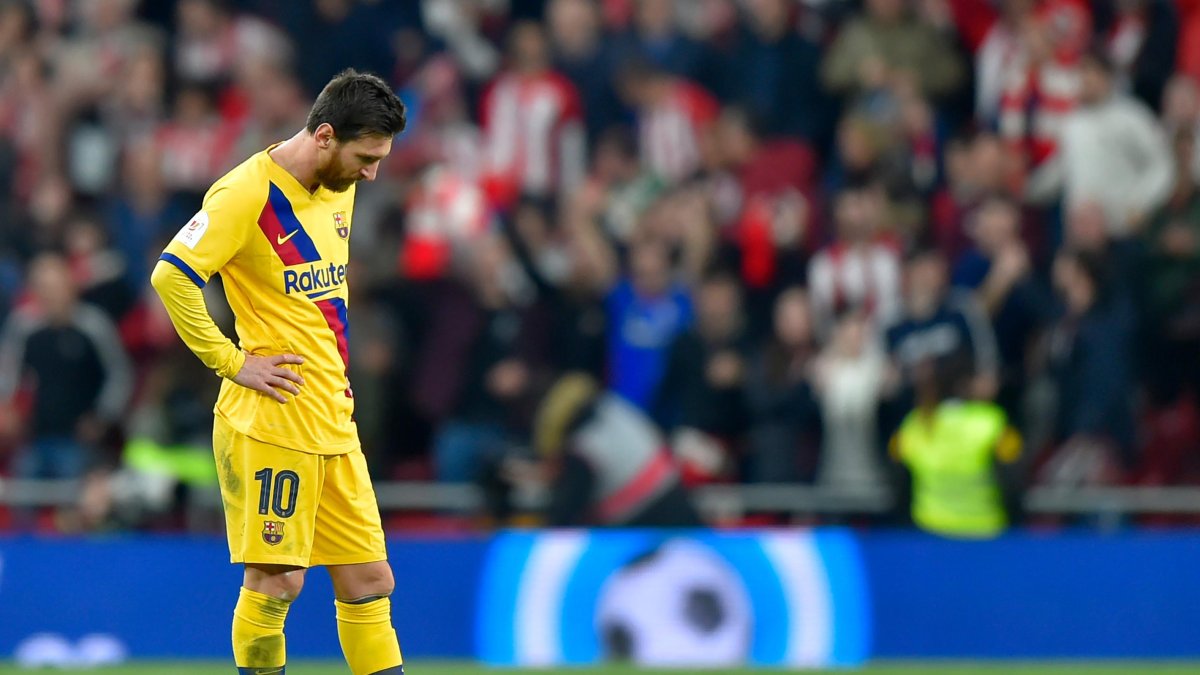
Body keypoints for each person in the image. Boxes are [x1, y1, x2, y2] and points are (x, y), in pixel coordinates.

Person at [150, 69, 407, 675]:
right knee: (277, 582)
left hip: (332, 418)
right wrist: (233, 362)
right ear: (324, 135)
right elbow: (171, 276)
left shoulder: (337, 184)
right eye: (366, 157)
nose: (372, 173)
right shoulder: (244, 194)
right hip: (272, 421)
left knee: (371, 577)